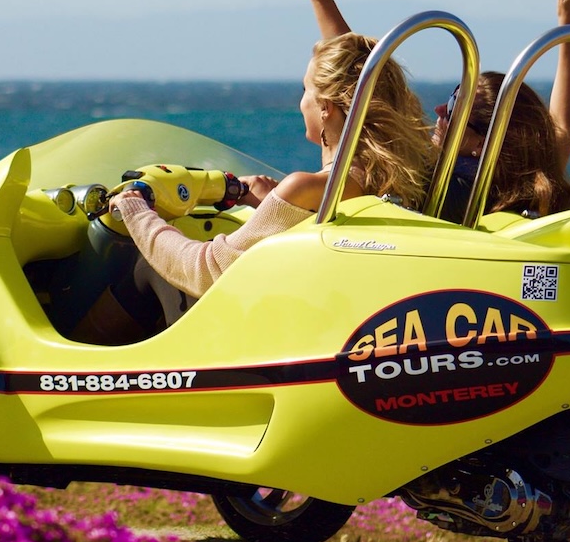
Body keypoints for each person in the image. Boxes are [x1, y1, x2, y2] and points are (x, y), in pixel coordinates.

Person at [97, 31, 437, 332]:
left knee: (143, 268)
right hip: (334, 318)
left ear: (326, 108)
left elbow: (205, 270)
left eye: (306, 90)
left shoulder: (306, 189)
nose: (300, 101)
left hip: (265, 331)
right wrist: (271, 204)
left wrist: (137, 211)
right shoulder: (405, 178)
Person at [300, 0, 570, 216]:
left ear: (480, 143)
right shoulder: (529, 192)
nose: (438, 111)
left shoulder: (438, 182)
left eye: (453, 108)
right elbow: (562, 126)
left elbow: (367, 86)